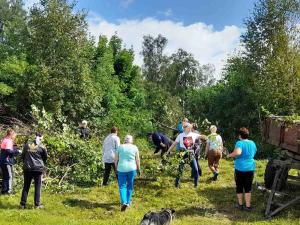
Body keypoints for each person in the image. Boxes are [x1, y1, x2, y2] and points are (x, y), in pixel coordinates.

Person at [227, 127, 257, 211]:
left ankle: (240, 205)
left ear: (240, 135)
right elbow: (255, 151)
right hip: (250, 168)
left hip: (240, 168)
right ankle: (248, 206)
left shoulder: (239, 143)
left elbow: (238, 153)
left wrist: (229, 155)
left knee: (239, 186)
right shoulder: (252, 142)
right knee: (248, 187)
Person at [167, 123, 200, 188]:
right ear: (184, 128)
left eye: (190, 127)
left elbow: (202, 136)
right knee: (180, 170)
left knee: (196, 169)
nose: (190, 128)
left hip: (190, 154)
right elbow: (174, 144)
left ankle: (196, 184)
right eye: (188, 127)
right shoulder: (180, 135)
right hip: (182, 154)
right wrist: (168, 151)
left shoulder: (193, 134)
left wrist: (207, 137)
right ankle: (176, 185)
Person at [20, 132, 48, 209]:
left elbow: (22, 156)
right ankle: (37, 205)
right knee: (37, 187)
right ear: (41, 137)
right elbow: (45, 158)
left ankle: (22, 204)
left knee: (26, 186)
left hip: (27, 169)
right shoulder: (42, 146)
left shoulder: (27, 145)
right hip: (38, 169)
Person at [115, 135, 140, 212]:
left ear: (124, 140)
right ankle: (128, 202)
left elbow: (115, 159)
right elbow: (137, 160)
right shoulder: (135, 147)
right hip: (132, 169)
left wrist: (116, 168)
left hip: (121, 168)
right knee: (130, 186)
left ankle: (124, 202)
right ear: (131, 141)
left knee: (122, 186)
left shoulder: (120, 147)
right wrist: (139, 169)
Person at [0, 128, 20, 194]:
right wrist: (17, 151)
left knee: (5, 176)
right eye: (14, 135)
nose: (14, 136)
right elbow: (9, 151)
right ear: (11, 134)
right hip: (7, 161)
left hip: (2, 160)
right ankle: (9, 191)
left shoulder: (4, 139)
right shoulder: (8, 141)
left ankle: (4, 190)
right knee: (9, 176)